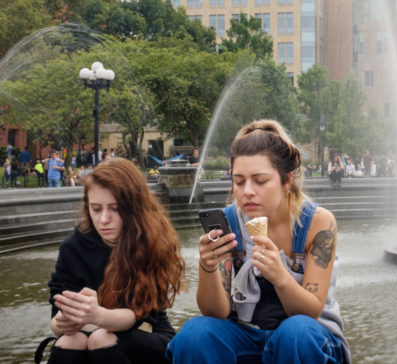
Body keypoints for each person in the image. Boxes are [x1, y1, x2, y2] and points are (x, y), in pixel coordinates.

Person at [166, 119, 350, 363]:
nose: (247, 191)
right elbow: (215, 313)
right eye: (239, 181)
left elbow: (312, 310)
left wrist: (280, 276)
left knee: (296, 333)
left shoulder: (318, 223)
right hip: (247, 333)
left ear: (286, 181)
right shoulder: (229, 222)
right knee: (195, 334)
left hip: (310, 337)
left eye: (260, 181)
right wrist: (208, 266)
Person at [43, 158, 185, 363]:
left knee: (101, 338)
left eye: (115, 208)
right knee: (70, 341)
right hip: (90, 333)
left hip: (148, 334)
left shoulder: (150, 244)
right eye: (96, 208)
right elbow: (56, 323)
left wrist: (97, 315)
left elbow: (140, 317)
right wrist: (66, 320)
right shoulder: (72, 248)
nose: (103, 219)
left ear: (134, 208)